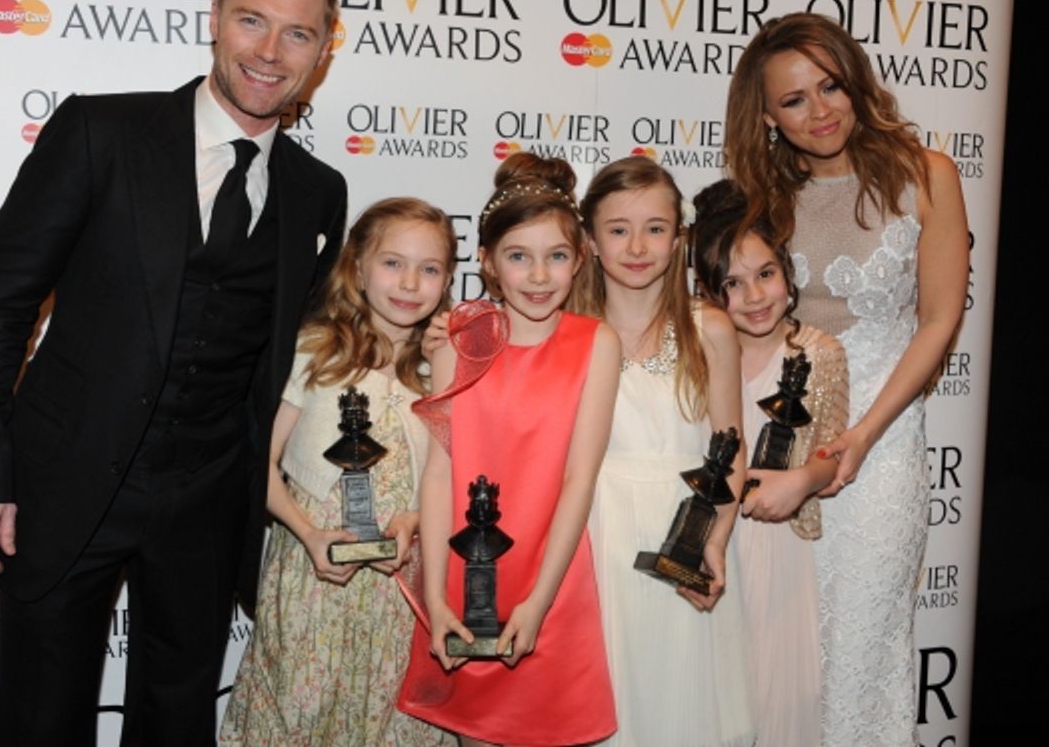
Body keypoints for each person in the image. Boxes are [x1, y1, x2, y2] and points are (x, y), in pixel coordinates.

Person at [0, 0, 347, 745]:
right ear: (215, 19)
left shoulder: (319, 192)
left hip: (209, 502)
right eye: (252, 21)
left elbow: (298, 350)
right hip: (64, 483)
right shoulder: (101, 133)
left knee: (177, 724)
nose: (270, 52)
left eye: (297, 33)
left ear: (322, 50)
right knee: (38, 722)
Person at [725, 12, 969, 746]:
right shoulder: (760, 197)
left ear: (856, 82)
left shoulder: (927, 175)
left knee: (864, 645)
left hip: (882, 443)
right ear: (767, 116)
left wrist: (862, 436)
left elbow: (938, 320)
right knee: (780, 654)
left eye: (830, 86)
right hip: (782, 441)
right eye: (793, 99)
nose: (820, 110)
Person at [397, 154, 620, 746]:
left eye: (556, 256)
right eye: (519, 257)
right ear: (488, 263)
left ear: (580, 259)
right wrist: (435, 597)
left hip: (552, 582)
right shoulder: (458, 340)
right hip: (465, 582)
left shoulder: (596, 344)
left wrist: (539, 602)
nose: (539, 276)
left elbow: (578, 479)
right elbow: (440, 474)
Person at [220, 198, 455, 746]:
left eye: (429, 269)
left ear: (447, 280)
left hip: (401, 589)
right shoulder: (315, 350)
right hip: (312, 577)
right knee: (303, 711)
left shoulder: (439, 367)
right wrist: (309, 533)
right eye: (392, 263)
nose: (409, 283)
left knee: (387, 714)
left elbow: (450, 478)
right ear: (357, 267)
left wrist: (415, 520)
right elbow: (260, 464)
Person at [571, 156, 754, 747]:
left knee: (680, 705)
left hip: (685, 535)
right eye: (618, 229)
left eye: (655, 228)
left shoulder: (710, 329)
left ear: (679, 239)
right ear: (590, 240)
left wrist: (714, 540)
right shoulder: (566, 329)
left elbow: (731, 447)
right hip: (592, 536)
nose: (636, 246)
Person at [692, 179, 850, 747]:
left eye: (765, 274)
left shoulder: (820, 353)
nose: (755, 295)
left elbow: (833, 454)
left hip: (779, 551)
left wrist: (801, 481)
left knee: (775, 700)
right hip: (705, 538)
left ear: (787, 271)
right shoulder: (696, 348)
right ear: (707, 291)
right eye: (732, 284)